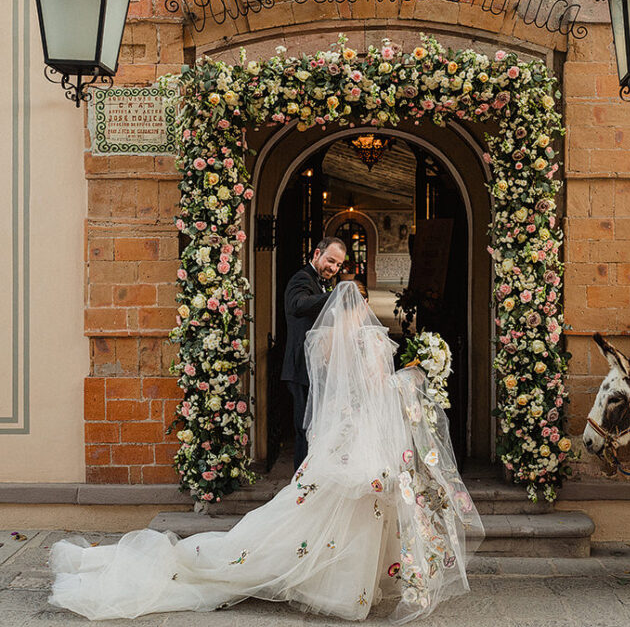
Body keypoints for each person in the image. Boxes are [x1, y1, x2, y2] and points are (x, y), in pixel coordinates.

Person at [47, 282, 483, 623]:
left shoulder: (326, 340)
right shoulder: (369, 342)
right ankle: (340, 588)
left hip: (344, 437)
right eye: (364, 304)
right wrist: (412, 375)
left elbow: (337, 394)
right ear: (360, 307)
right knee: (345, 511)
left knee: (318, 510)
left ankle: (340, 584)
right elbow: (375, 390)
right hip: (360, 437)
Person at [282, 237, 346, 468]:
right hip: (300, 368)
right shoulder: (302, 278)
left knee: (315, 430)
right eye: (330, 261)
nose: (333, 268)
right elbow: (297, 305)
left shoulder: (320, 282)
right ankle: (300, 487)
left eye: (338, 265)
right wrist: (336, 294)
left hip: (313, 368)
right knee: (305, 430)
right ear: (316, 254)